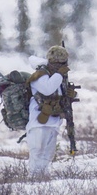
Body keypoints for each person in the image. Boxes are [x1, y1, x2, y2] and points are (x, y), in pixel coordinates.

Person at [26, 45, 72, 176]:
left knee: (47, 155)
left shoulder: (58, 76)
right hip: (38, 122)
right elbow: (48, 89)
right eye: (58, 63)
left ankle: (43, 180)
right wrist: (59, 74)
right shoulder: (40, 75)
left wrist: (71, 94)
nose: (60, 65)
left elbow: (61, 96)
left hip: (53, 122)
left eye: (63, 63)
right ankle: (34, 179)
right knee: (37, 153)